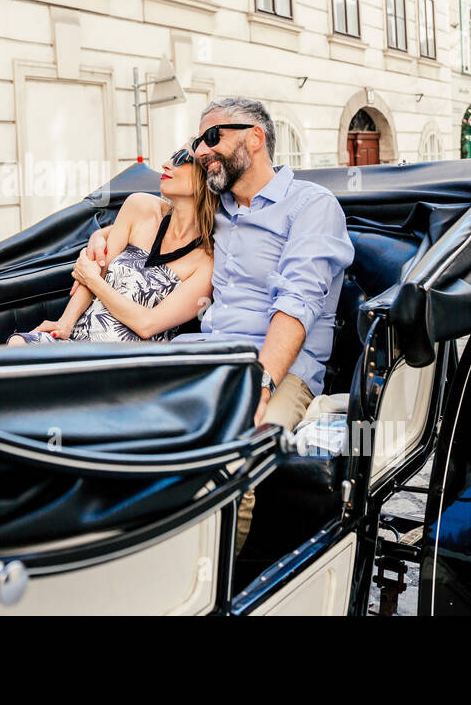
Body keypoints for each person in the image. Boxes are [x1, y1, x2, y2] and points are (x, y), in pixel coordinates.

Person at [79, 98, 355, 549]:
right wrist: (99, 237)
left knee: (233, 459)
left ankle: (207, 585)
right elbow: (151, 216)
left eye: (212, 138)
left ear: (255, 137)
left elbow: (296, 303)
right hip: (209, 352)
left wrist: (259, 387)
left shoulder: (311, 206)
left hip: (277, 370)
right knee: (115, 417)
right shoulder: (218, 207)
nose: (202, 150)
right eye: (196, 141)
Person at [9, 147, 215, 345]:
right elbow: (101, 266)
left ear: (206, 177)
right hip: (81, 337)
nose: (166, 165)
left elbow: (147, 325)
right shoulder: (140, 206)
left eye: (181, 159)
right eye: (172, 156)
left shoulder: (207, 261)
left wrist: (92, 280)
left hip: (127, 361)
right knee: (18, 345)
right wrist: (65, 322)